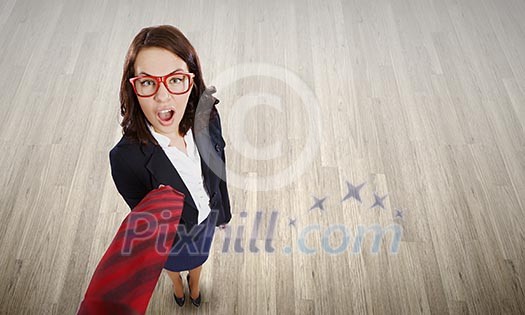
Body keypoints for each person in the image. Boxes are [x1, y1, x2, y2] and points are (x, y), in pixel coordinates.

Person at [109, 24, 232, 308]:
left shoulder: (208, 117)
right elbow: (146, 221)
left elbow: (218, 171)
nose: (162, 97)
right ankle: (177, 285)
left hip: (206, 224)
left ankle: (195, 284)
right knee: (174, 267)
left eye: (175, 79)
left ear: (192, 79)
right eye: (148, 82)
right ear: (133, 87)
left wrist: (222, 214)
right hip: (170, 243)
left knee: (200, 259)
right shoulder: (125, 159)